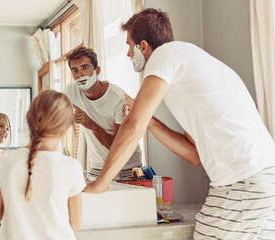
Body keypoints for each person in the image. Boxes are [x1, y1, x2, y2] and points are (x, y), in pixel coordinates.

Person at [85, 8, 275, 239]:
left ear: (143, 46)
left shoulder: (164, 56)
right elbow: (194, 155)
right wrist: (149, 121)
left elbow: (132, 127)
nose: (127, 54)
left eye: (129, 45)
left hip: (244, 179)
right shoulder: (184, 64)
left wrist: (100, 183)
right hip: (256, 176)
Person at [0, 90, 86, 240]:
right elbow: (76, 224)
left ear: (28, 118)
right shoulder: (71, 167)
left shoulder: (6, 160)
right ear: (66, 128)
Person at [63, 46, 142, 179]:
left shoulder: (118, 98)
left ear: (97, 70)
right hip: (98, 167)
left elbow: (116, 146)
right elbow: (54, 115)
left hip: (127, 168)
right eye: (75, 70)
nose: (80, 74)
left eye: (85, 68)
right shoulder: (71, 91)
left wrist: (91, 125)